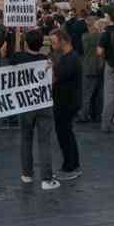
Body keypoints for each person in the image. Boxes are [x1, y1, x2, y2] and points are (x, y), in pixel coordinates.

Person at [12, 29, 58, 190]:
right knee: (44, 142)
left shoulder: (17, 58)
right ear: (41, 44)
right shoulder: (46, 60)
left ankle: (27, 174)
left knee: (26, 139)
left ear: (25, 43)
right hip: (43, 104)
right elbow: (52, 81)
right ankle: (46, 179)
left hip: (25, 105)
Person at [49, 28, 83, 180]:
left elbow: (56, 78)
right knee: (65, 133)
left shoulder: (71, 59)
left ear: (63, 41)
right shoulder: (68, 57)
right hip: (65, 101)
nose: (52, 45)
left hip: (66, 102)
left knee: (65, 134)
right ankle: (71, 164)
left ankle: (70, 166)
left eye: (54, 42)